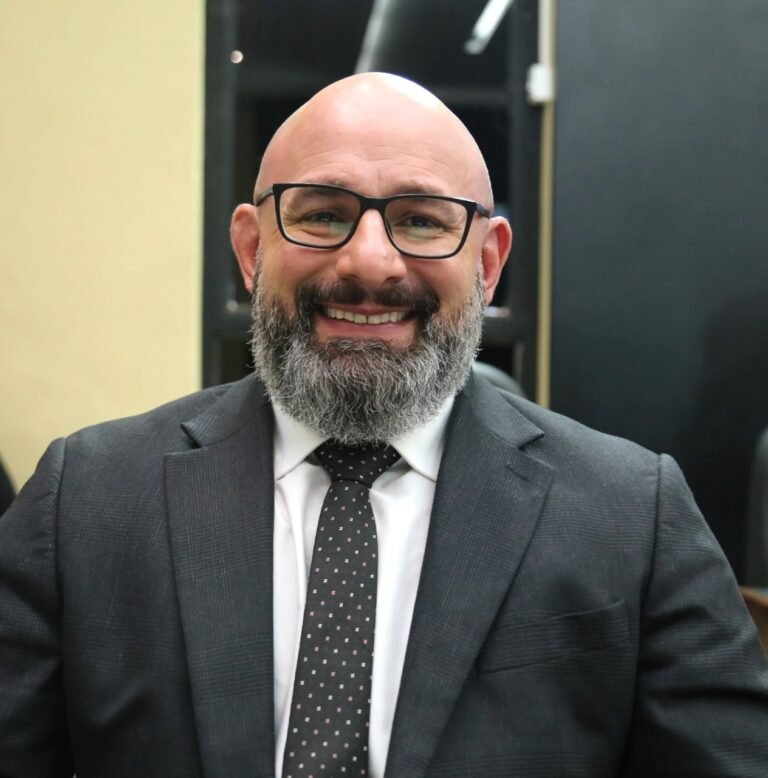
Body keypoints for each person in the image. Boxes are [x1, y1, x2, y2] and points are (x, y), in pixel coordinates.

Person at [1, 73, 766, 778]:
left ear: (488, 264)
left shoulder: (633, 516)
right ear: (251, 249)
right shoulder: (86, 502)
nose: (370, 263)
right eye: (323, 214)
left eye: (421, 221)